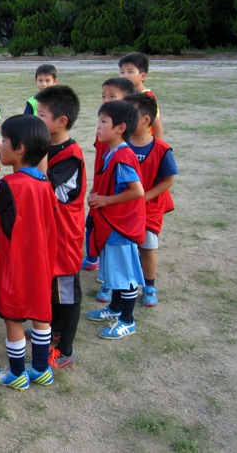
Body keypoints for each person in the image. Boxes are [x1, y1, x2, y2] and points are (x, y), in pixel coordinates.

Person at [0, 115, 58, 389]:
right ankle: (41, 369)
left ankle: (16, 373)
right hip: (40, 262)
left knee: (14, 319)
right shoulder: (44, 184)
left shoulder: (10, 185)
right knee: (42, 316)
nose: (0, 145)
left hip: (15, 264)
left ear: (20, 149)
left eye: (4, 141)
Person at [84, 101, 146, 340]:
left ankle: (127, 321)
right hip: (112, 225)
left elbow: (137, 191)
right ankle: (115, 309)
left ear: (120, 127)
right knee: (116, 272)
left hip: (122, 226)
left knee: (125, 275)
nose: (98, 127)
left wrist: (107, 201)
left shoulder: (123, 156)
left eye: (103, 122)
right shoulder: (112, 152)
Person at [35, 86, 86, 368]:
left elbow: (43, 185)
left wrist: (39, 147)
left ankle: (65, 349)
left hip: (65, 234)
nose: (36, 119)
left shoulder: (70, 153)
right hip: (48, 231)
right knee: (51, 284)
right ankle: (52, 331)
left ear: (61, 121)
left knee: (66, 290)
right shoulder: (50, 146)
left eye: (41, 115)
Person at [125, 93, 178, 307]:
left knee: (146, 249)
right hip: (124, 207)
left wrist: (143, 197)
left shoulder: (162, 149)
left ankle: (149, 286)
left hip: (150, 209)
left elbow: (168, 181)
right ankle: (117, 284)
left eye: (129, 115)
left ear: (146, 120)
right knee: (123, 247)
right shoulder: (120, 144)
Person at [81, 77, 136, 276]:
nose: (106, 100)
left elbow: (135, 190)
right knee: (92, 225)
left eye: (112, 96)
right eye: (103, 96)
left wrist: (107, 198)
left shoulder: (123, 149)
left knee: (112, 242)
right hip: (101, 192)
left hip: (114, 206)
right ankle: (94, 260)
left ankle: (109, 283)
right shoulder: (105, 134)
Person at [119, 53, 163, 139]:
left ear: (142, 76)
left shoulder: (148, 97)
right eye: (122, 72)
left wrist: (157, 149)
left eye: (130, 72)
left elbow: (157, 127)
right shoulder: (123, 94)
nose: (125, 76)